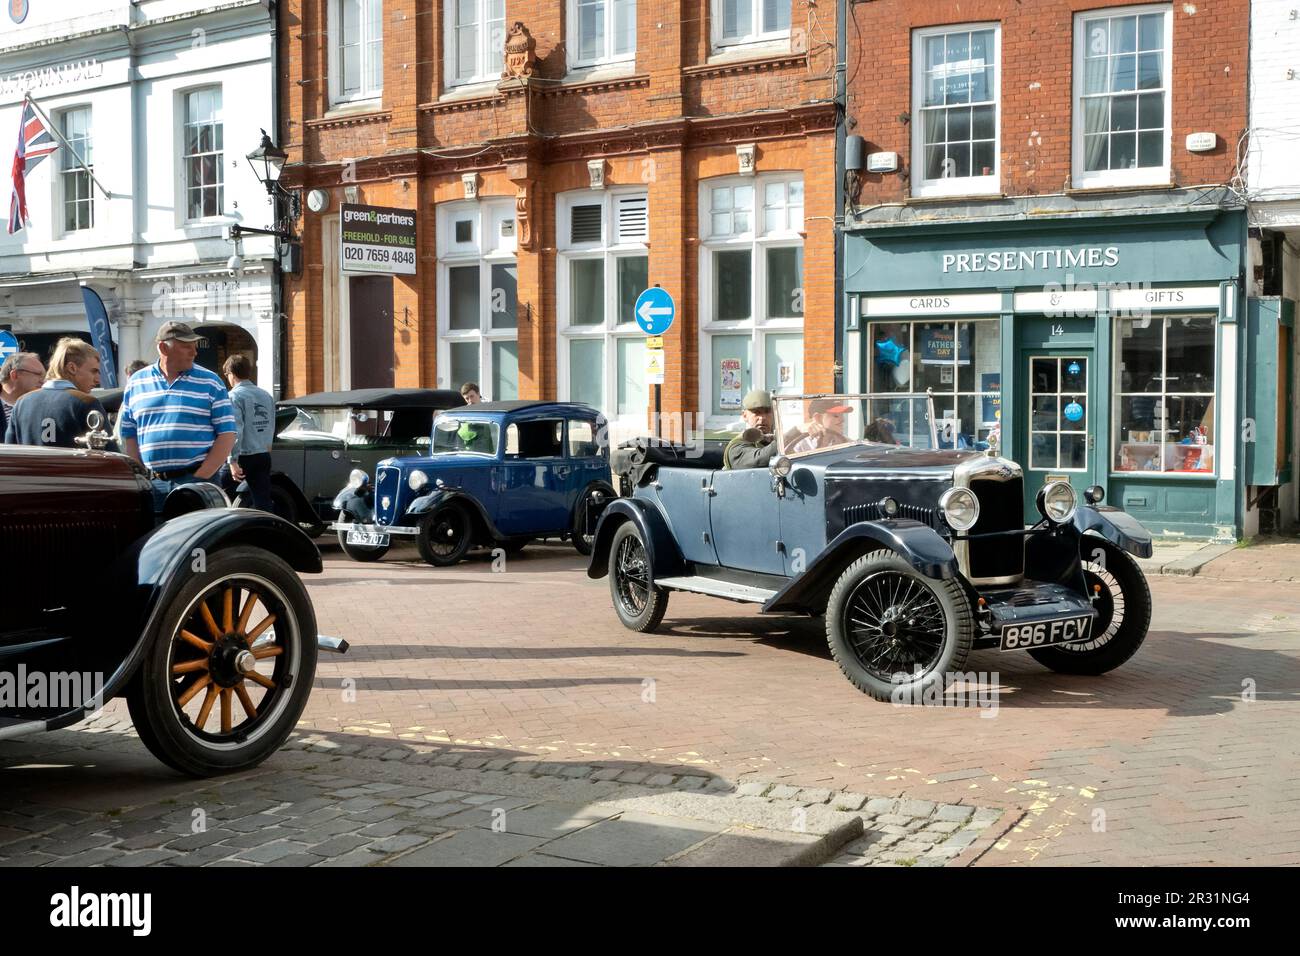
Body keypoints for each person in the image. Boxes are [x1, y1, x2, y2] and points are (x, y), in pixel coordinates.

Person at [118, 321, 236, 494]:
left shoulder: (211, 382)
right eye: (186, 347)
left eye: (194, 346)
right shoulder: (136, 382)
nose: (194, 352)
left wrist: (201, 476)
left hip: (197, 481)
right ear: (164, 349)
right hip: (152, 485)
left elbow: (227, 434)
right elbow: (130, 434)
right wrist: (139, 475)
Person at [4, 338, 106, 448]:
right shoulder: (86, 402)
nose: (97, 380)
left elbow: (9, 455)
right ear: (72, 368)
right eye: (94, 371)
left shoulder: (21, 404)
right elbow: (112, 458)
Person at [222, 354, 276, 511]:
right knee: (263, 502)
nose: (227, 379)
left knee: (217, 492)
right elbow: (271, 424)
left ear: (231, 373)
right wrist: (267, 447)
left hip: (243, 457)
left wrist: (232, 461)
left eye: (227, 375)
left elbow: (235, 430)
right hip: (263, 454)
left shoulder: (234, 396)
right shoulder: (265, 395)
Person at [723, 388, 778, 470]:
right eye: (756, 412)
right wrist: (788, 437)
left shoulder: (771, 439)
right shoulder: (736, 446)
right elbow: (758, 460)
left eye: (767, 412)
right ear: (745, 416)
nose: (762, 418)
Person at [0, 351, 45, 436]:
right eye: (38, 374)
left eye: (44, 376)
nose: (43, 381)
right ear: (14, 375)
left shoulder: (40, 408)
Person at [787, 398, 853, 454]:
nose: (843, 420)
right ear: (818, 418)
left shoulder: (847, 442)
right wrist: (797, 429)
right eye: (836, 416)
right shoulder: (800, 444)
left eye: (842, 415)